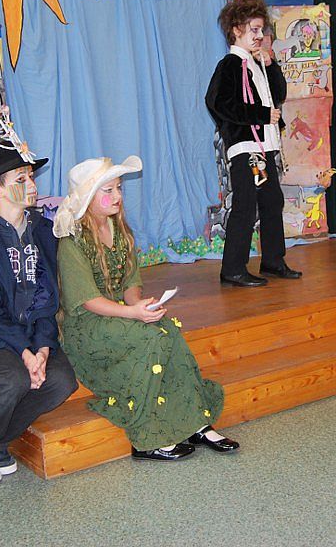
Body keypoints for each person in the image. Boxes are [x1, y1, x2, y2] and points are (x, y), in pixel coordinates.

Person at [53, 156, 238, 461]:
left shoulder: (119, 230)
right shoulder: (73, 241)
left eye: (119, 188)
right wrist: (132, 313)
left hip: (116, 313)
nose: (117, 196)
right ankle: (147, 438)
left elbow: (130, 282)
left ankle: (196, 421)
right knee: (149, 338)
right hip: (87, 325)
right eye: (108, 190)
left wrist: (138, 303)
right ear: (88, 197)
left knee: (168, 329)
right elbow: (87, 300)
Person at [0, 144, 78, 486]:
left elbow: (47, 296)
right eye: (21, 179)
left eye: (31, 177)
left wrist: (43, 348)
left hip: (34, 330)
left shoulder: (44, 232)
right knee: (14, 378)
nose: (32, 185)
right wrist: (24, 352)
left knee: (62, 380)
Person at [205, 0, 302, 287]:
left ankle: (273, 260)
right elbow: (217, 102)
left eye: (262, 30)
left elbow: (278, 94)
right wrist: (259, 115)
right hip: (247, 147)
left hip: (263, 148)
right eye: (254, 30)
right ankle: (233, 268)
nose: (260, 36)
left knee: (272, 201)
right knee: (245, 204)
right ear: (237, 30)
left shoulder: (256, 63)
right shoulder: (231, 64)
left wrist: (270, 66)